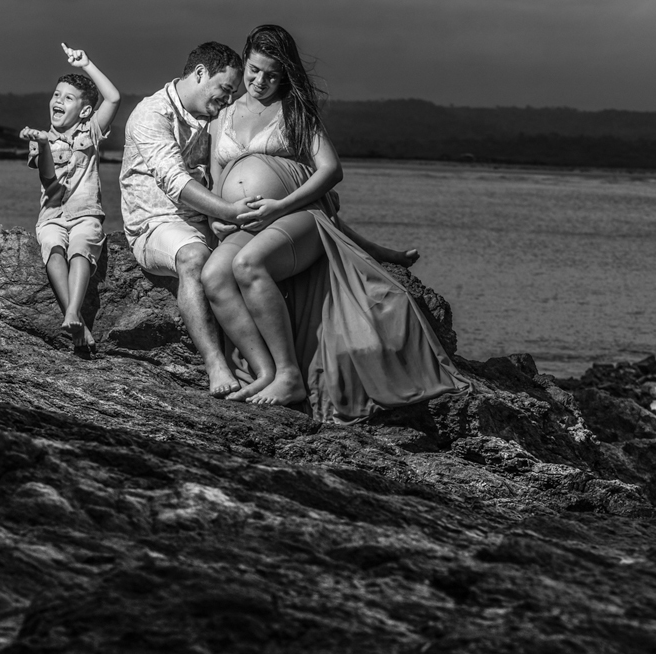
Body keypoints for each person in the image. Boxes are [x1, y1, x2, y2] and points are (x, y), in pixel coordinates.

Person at [200, 24, 467, 417]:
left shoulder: (294, 112)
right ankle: (265, 371)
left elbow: (330, 170)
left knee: (247, 265)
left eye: (272, 75)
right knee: (213, 275)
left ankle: (289, 375)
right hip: (245, 224)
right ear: (245, 62)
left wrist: (279, 205)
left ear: (285, 75)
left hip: (296, 216)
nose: (260, 81)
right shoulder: (223, 114)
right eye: (254, 70)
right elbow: (215, 178)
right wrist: (217, 220)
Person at [119, 42, 256, 397]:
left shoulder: (216, 118)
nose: (228, 99)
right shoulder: (152, 114)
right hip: (155, 224)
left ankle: (267, 365)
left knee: (257, 256)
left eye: (233, 93)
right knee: (194, 258)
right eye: (225, 89)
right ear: (199, 73)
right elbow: (174, 181)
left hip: (205, 221)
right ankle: (215, 364)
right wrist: (228, 211)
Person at [20, 43, 121, 351]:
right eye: (56, 95)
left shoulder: (91, 131)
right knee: (53, 249)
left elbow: (113, 98)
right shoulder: (40, 139)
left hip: (86, 215)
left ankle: (73, 312)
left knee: (80, 250)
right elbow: (48, 178)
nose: (58, 101)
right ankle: (76, 319)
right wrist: (43, 144)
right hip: (51, 216)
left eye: (68, 98)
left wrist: (86, 63)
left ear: (85, 111)